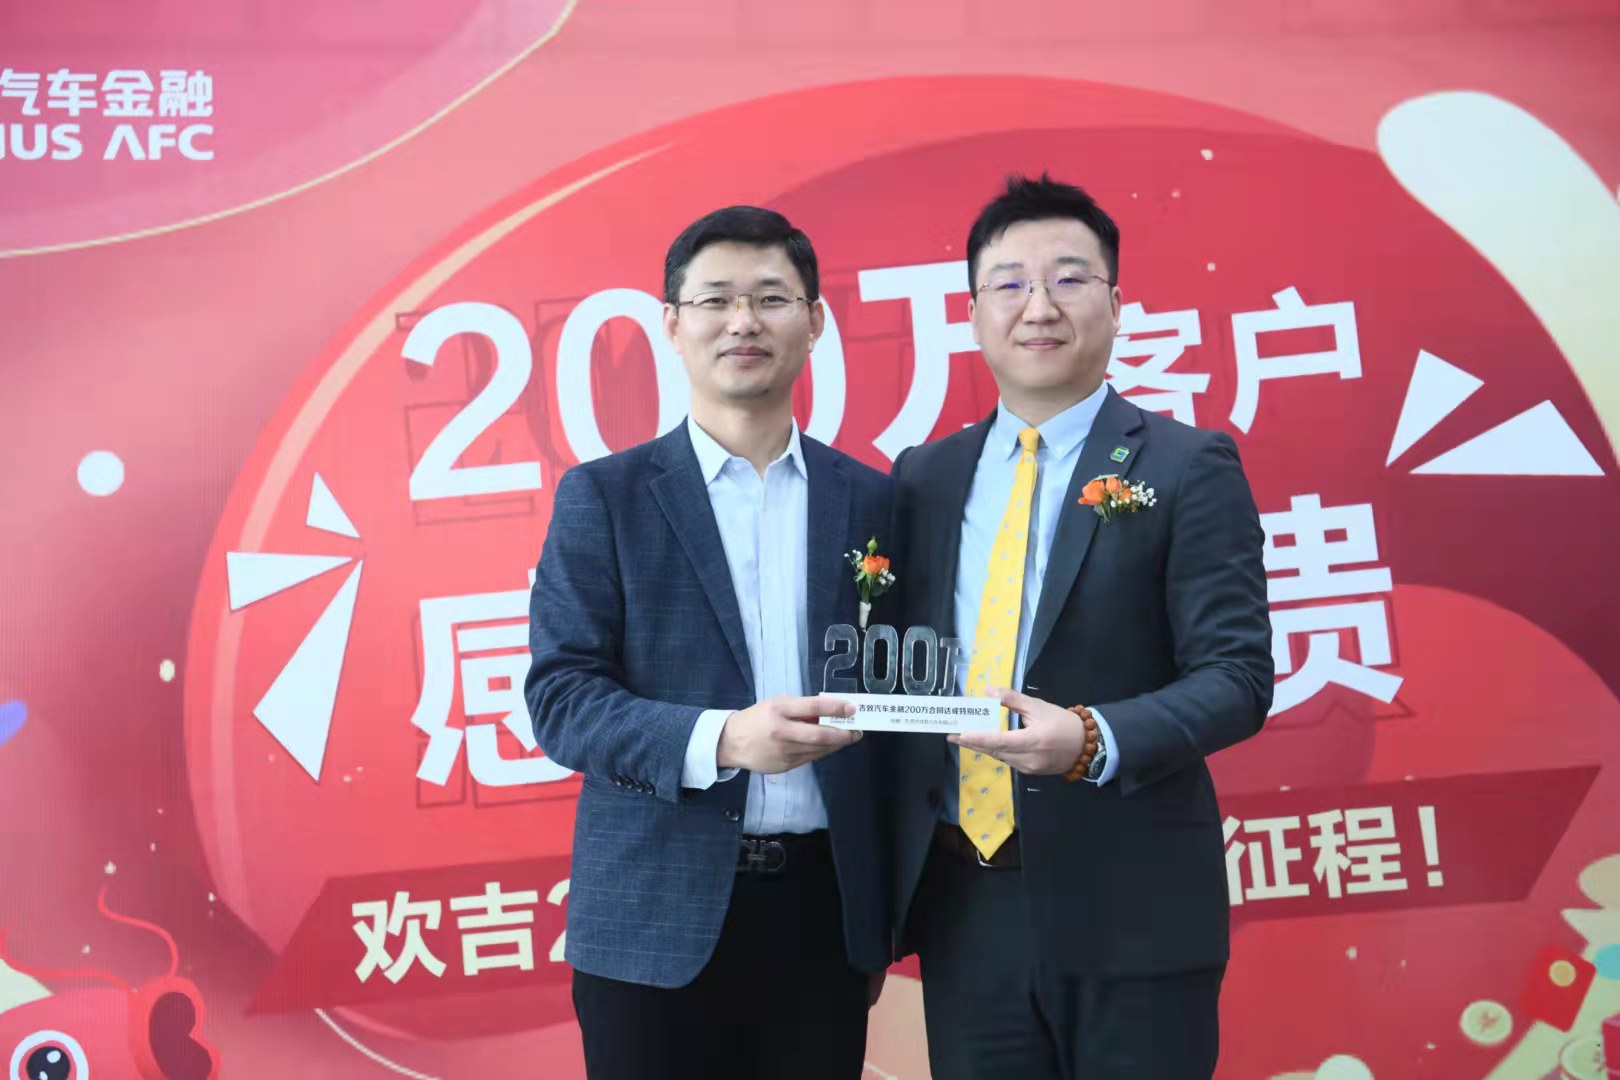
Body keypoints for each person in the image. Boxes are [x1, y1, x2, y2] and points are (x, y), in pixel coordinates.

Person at [887, 174, 1274, 1078]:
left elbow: (1237, 676)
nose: (1039, 307)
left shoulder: (1186, 464)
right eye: (1010, 283)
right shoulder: (921, 478)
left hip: (1131, 903)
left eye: (1068, 278)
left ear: (1116, 304)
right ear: (973, 313)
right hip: (966, 902)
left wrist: (1091, 738)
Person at [525, 205, 893, 1080]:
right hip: (652, 919)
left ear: (814, 321)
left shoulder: (873, 500)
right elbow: (562, 699)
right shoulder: (606, 497)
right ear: (672, 324)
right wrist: (725, 739)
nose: (743, 321)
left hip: (823, 917)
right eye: (717, 299)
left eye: (771, 298)